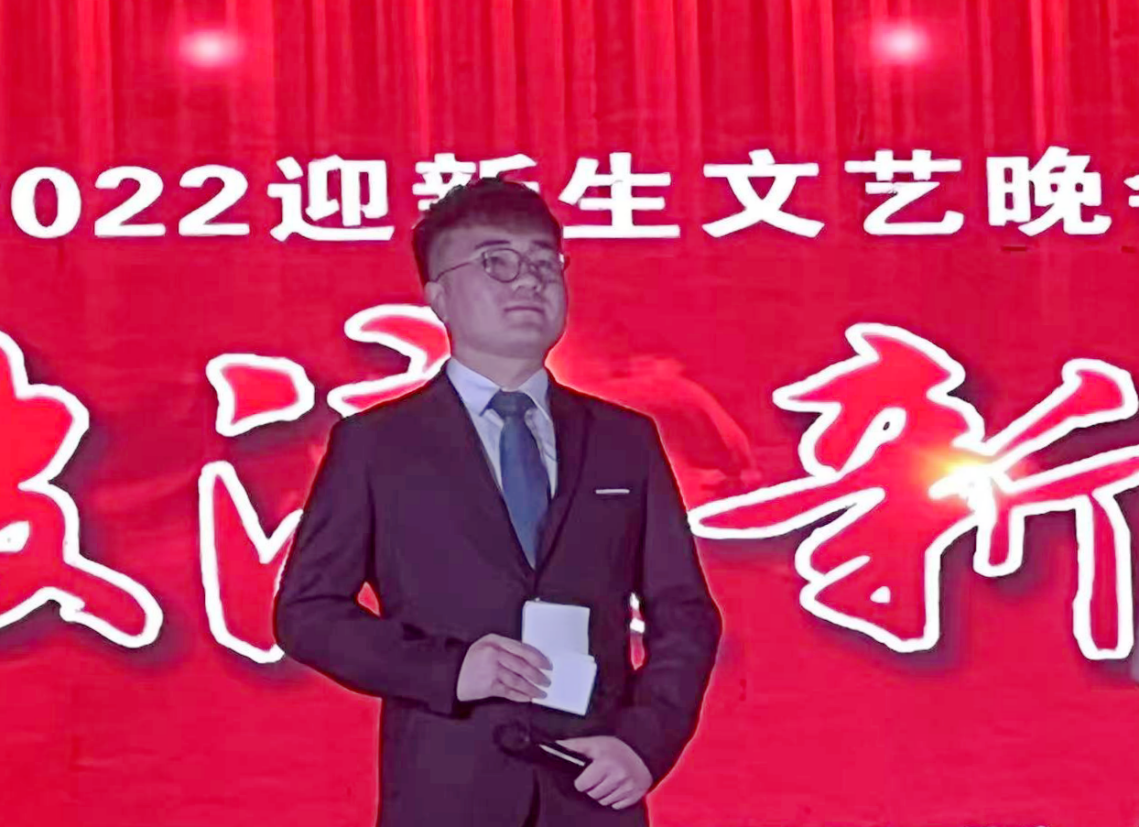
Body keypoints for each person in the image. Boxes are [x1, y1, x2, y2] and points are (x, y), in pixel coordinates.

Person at [273, 176, 722, 827]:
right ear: (438, 297)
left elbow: (683, 612)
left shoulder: (624, 440)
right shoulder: (377, 444)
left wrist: (643, 742)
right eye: (496, 262)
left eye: (544, 263)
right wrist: (448, 671)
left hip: (592, 788)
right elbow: (307, 613)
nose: (528, 280)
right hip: (445, 794)